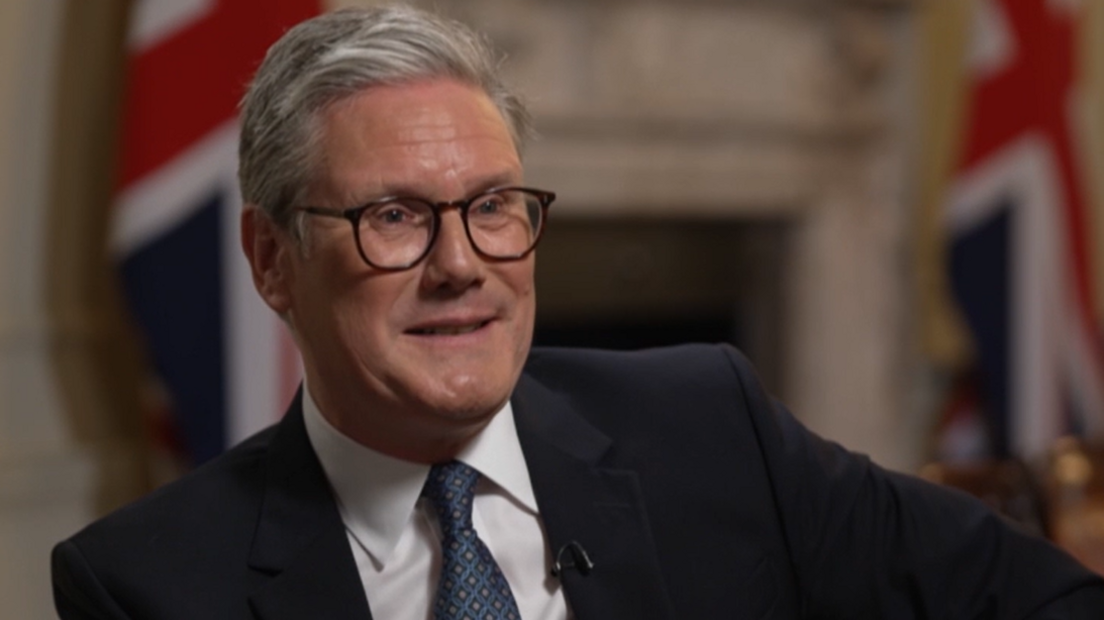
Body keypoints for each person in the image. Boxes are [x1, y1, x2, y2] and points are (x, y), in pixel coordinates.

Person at [52, 5, 1104, 619]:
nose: (463, 264)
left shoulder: (710, 421)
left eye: (495, 207)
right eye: (395, 216)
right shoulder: (144, 585)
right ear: (272, 260)